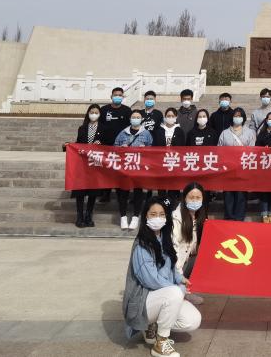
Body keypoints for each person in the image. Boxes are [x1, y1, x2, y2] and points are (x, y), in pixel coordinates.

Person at [122, 197, 202, 356]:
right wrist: (177, 289)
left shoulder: (164, 239)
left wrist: (180, 279)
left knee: (192, 320)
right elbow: (150, 280)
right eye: (153, 214)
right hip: (142, 301)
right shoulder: (142, 245)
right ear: (145, 217)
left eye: (161, 214)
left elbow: (170, 266)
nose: (157, 218)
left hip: (161, 297)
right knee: (175, 292)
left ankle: (152, 326)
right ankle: (161, 343)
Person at [115, 109, 153, 230]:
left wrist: (145, 148)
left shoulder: (146, 133)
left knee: (138, 192)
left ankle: (136, 216)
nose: (135, 119)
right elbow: (114, 147)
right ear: (130, 119)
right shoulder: (123, 133)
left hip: (139, 167)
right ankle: (123, 217)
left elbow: (152, 149)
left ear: (141, 119)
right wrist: (121, 148)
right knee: (123, 192)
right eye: (133, 117)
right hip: (125, 167)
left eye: (138, 117)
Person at [171, 182, 207, 306]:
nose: (195, 201)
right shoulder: (176, 218)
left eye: (198, 198)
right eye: (191, 197)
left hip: (185, 260)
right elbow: (173, 250)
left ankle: (186, 289)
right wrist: (179, 276)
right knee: (175, 297)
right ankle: (181, 289)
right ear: (184, 198)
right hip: (173, 265)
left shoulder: (199, 218)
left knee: (203, 257)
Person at [72, 103, 107, 227]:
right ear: (88, 113)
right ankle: (79, 216)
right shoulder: (82, 128)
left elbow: (108, 145)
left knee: (93, 191)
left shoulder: (104, 128)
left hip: (95, 163)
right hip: (82, 163)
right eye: (92, 112)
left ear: (100, 114)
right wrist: (68, 146)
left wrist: (101, 143)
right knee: (80, 191)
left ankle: (88, 216)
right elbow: (78, 143)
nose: (94, 114)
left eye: (96, 112)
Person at [218, 107, 255, 221]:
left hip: (243, 167)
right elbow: (219, 149)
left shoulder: (250, 132)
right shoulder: (225, 133)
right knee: (228, 193)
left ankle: (239, 217)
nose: (237, 118)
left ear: (243, 118)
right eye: (235, 116)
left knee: (241, 194)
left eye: (239, 116)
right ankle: (229, 216)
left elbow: (252, 150)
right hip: (228, 168)